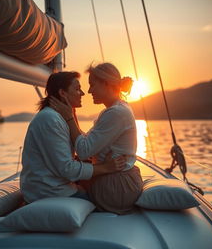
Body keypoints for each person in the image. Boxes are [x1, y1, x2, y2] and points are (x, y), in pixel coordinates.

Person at [50, 63, 143, 214]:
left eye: (92, 85)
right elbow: (86, 141)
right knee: (67, 178)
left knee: (60, 188)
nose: (89, 91)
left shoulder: (116, 113)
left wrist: (68, 117)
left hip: (117, 187)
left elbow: (84, 151)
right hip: (118, 180)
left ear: (106, 84)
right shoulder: (116, 109)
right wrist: (70, 114)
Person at [20, 71, 126, 204]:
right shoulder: (50, 120)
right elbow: (67, 169)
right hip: (48, 192)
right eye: (77, 89)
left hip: (57, 187)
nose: (82, 93)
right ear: (62, 93)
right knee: (111, 200)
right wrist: (106, 167)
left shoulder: (59, 117)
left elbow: (82, 144)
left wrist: (71, 116)